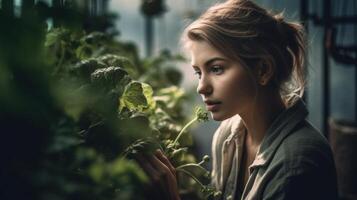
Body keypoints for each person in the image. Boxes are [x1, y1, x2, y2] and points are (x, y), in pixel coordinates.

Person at [136, 0, 339, 199]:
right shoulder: (227, 135)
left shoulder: (296, 164)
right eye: (199, 72)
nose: (201, 87)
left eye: (216, 69)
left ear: (263, 70)